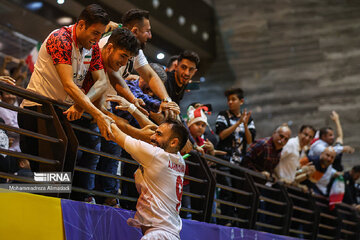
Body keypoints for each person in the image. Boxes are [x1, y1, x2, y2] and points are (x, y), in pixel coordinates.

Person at [18, 4, 114, 168]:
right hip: (37, 109)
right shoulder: (61, 39)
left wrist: (80, 104)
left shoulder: (93, 47)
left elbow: (102, 82)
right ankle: (20, 190)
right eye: (95, 33)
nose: (98, 40)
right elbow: (68, 85)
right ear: (82, 25)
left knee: (67, 163)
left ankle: (49, 193)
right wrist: (98, 114)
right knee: (47, 171)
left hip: (61, 110)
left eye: (101, 35)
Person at [109, 116, 188, 240]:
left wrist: (96, 108)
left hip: (159, 235)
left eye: (158, 134)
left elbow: (113, 132)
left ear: (173, 142)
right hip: (170, 234)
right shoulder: (179, 159)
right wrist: (132, 109)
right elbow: (160, 133)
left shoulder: (155, 155)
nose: (152, 137)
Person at [99, 9, 174, 110]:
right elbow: (114, 77)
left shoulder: (133, 47)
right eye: (147, 31)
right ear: (134, 31)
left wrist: (167, 101)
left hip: (103, 105)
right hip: (90, 103)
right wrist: (133, 101)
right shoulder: (108, 43)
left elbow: (150, 75)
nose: (150, 36)